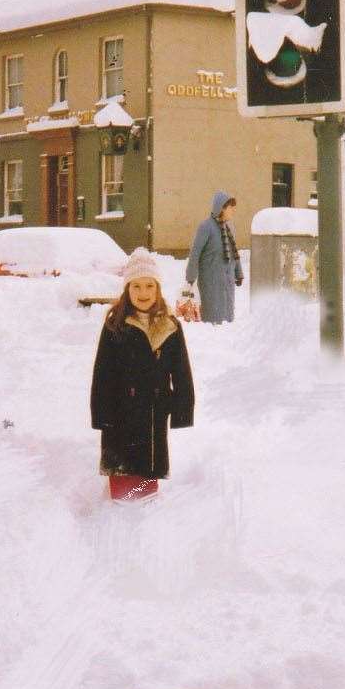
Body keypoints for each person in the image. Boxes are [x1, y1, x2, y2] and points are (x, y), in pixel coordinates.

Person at [91, 249, 196, 501]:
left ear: (157, 288)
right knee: (123, 467)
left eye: (149, 285)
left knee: (147, 474)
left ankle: (143, 497)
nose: (143, 293)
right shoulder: (116, 324)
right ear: (127, 289)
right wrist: (101, 415)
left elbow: (181, 371)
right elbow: (102, 374)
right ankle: (121, 496)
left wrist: (182, 409)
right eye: (136, 286)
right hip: (120, 411)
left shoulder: (169, 325)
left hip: (154, 410)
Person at [182, 190, 242, 324]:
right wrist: (190, 277)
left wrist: (239, 273)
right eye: (230, 207)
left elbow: (234, 253)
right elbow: (195, 253)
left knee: (227, 317)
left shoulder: (230, 227)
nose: (233, 210)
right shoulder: (206, 227)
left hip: (227, 280)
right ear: (221, 208)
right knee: (212, 317)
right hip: (211, 280)